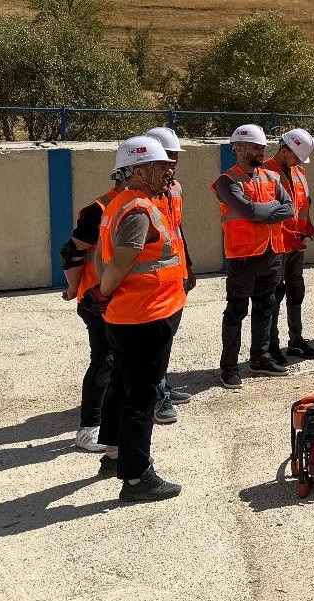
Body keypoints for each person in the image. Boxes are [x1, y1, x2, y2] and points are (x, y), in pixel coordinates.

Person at [93, 135, 186, 501]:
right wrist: (103, 292)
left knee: (122, 384)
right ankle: (136, 478)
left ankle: (115, 455)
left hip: (129, 314)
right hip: (146, 315)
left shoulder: (120, 204)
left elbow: (102, 257)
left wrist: (104, 293)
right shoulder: (138, 210)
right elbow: (120, 262)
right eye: (161, 167)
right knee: (141, 396)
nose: (168, 172)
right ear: (140, 170)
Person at [212, 124, 294, 388]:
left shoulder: (272, 176)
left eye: (262, 147)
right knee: (236, 311)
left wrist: (262, 212)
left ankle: (260, 358)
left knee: (266, 306)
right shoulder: (227, 181)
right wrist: (270, 208)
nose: (260, 151)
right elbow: (247, 211)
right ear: (238, 148)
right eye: (255, 147)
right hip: (243, 256)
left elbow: (290, 208)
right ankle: (229, 367)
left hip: (272, 252)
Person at [58, 180, 121, 454]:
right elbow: (71, 250)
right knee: (104, 360)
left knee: (119, 361)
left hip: (124, 299)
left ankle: (110, 415)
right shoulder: (99, 209)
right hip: (97, 300)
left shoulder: (144, 204)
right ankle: (89, 427)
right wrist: (73, 287)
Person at [142, 126, 196, 424]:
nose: (174, 162)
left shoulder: (174, 189)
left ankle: (161, 383)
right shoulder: (142, 194)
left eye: (176, 156)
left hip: (176, 275)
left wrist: (189, 265)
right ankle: (154, 395)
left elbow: (177, 229)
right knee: (154, 341)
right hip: (153, 280)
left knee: (167, 337)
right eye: (168, 156)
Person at [263, 128, 314, 360]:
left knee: (296, 291)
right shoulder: (265, 173)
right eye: (297, 157)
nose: (299, 161)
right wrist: (286, 233)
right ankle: (271, 345)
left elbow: (303, 205)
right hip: (276, 246)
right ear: (284, 149)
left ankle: (296, 340)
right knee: (274, 294)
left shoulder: (298, 172)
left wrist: (308, 228)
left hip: (296, 244)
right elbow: (266, 214)